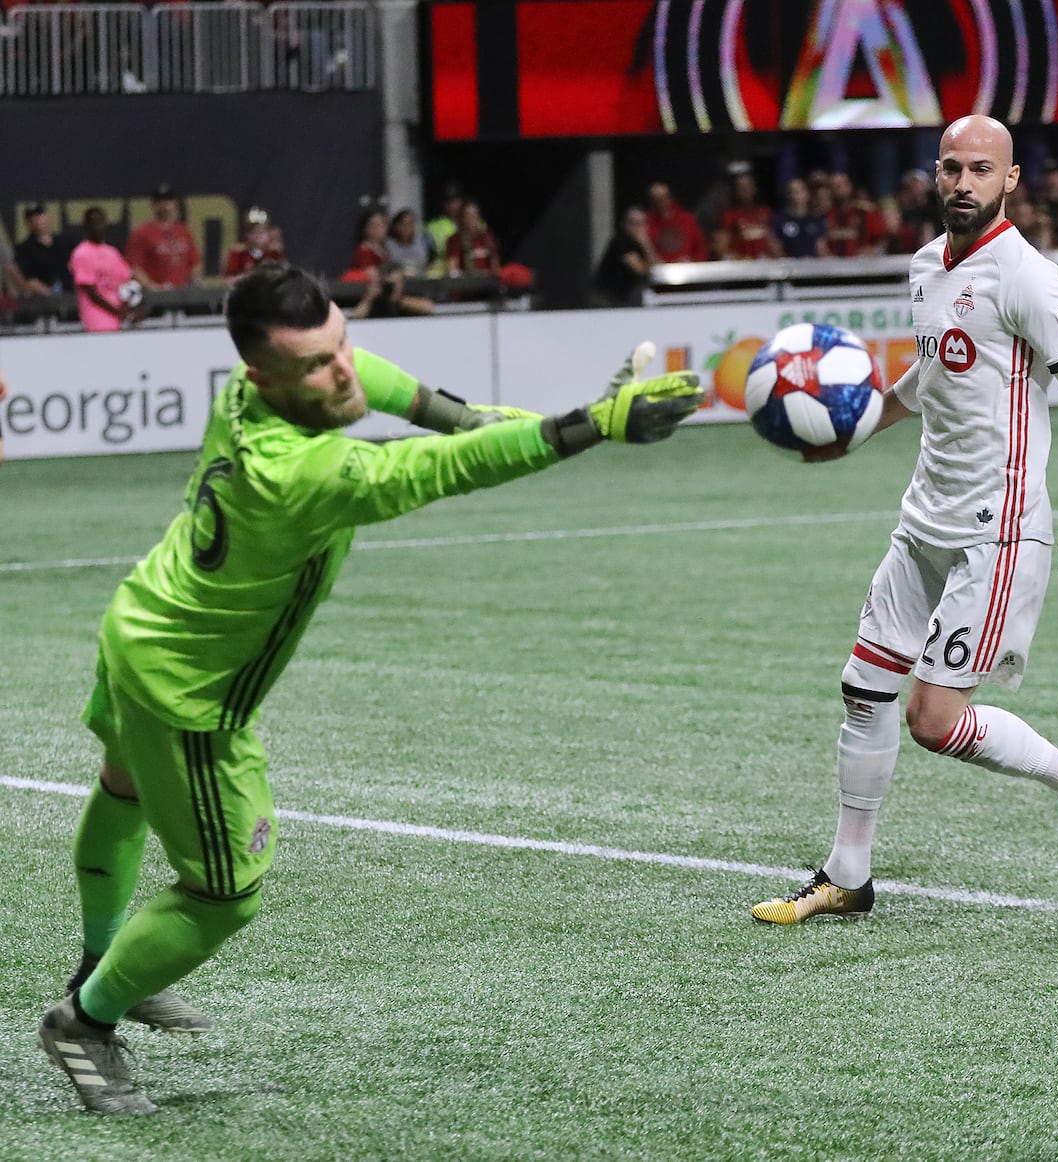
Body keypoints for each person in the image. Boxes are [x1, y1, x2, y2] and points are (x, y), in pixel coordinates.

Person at [35, 262, 704, 1115]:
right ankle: (85, 1021)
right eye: (317, 366)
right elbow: (442, 470)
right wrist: (587, 427)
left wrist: (520, 418)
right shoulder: (305, 476)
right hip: (189, 695)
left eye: (340, 342)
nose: (344, 370)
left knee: (120, 791)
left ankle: (104, 961)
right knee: (222, 894)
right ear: (262, 377)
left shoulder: (252, 395)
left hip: (140, 617)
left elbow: (402, 396)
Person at [748, 115, 1058, 925]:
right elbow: (931, 376)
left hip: (995, 530)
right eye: (951, 167)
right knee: (864, 689)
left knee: (933, 720)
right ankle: (847, 876)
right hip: (924, 518)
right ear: (935, 172)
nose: (963, 183)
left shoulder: (1026, 275)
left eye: (981, 170)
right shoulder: (927, 265)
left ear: (1011, 180)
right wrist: (856, 432)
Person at [70, 207, 138, 333]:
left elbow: (128, 281)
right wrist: (118, 312)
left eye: (101, 222)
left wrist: (132, 306)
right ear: (85, 226)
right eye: (93, 222)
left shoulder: (112, 252)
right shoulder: (82, 253)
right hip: (96, 320)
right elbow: (91, 292)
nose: (98, 226)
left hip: (120, 317)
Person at [124, 185, 201, 290]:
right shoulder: (142, 233)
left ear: (175, 203)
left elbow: (195, 263)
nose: (164, 205)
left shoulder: (183, 231)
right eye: (160, 201)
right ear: (153, 205)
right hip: (154, 298)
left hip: (182, 295)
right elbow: (135, 268)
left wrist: (193, 287)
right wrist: (154, 287)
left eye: (168, 201)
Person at [591, 206, 659, 307]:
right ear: (625, 224)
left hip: (624, 295)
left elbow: (656, 266)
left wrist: (646, 245)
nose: (637, 228)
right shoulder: (621, 241)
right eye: (633, 223)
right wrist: (649, 263)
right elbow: (639, 269)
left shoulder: (642, 244)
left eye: (640, 223)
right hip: (607, 296)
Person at [712, 166, 780, 260]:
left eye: (749, 185)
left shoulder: (765, 212)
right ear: (736, 190)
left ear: (754, 188)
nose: (746, 190)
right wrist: (741, 260)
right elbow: (720, 248)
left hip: (765, 264)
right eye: (741, 187)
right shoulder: (728, 215)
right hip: (741, 267)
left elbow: (773, 241)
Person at [16, 203, 72, 296]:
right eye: (31, 218)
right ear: (27, 223)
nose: (36, 220)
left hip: (72, 298)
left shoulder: (66, 243)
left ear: (47, 217)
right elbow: (29, 280)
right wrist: (53, 298)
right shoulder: (23, 249)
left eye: (39, 216)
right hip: (43, 302)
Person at [644, 182, 707, 264]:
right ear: (652, 202)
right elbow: (648, 251)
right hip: (662, 270)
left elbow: (700, 247)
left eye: (664, 197)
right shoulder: (647, 223)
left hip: (688, 269)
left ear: (670, 197)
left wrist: (694, 264)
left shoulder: (687, 219)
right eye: (657, 199)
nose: (662, 202)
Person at [223, 208, 284, 282]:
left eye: (262, 231)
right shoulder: (238, 253)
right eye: (253, 232)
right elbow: (228, 281)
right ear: (246, 234)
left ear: (268, 233)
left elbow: (282, 278)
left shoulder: (273, 253)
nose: (258, 236)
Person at [772, 179, 826, 259]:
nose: (796, 195)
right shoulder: (780, 220)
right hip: (788, 267)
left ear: (807, 194)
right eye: (792, 192)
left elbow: (821, 248)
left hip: (813, 266)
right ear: (788, 195)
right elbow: (776, 247)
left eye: (800, 191)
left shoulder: (816, 220)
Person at [445, 201, 500, 277]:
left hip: (487, 282)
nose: (471, 219)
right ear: (461, 218)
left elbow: (495, 264)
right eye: (467, 216)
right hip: (466, 283)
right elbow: (453, 268)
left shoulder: (487, 238)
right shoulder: (455, 240)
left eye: (474, 215)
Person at [425, 183, 464, 278]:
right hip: (443, 273)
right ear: (444, 204)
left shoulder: (476, 222)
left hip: (470, 269)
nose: (454, 205)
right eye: (450, 202)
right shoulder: (434, 226)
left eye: (456, 201)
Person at [384, 209, 432, 278]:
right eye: (403, 224)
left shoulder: (422, 242)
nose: (406, 227)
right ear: (396, 226)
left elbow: (427, 264)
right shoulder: (388, 245)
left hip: (420, 281)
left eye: (410, 223)